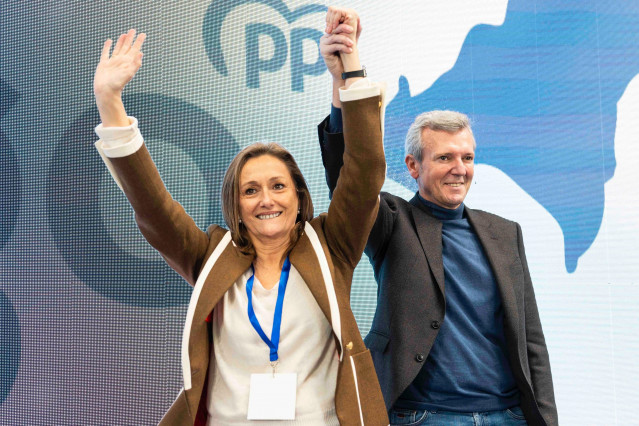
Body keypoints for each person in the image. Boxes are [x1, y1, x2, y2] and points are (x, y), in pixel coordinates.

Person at [92, 8, 388, 425]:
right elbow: (152, 207)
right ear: (236, 205)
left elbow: (364, 171)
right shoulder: (211, 254)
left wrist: (350, 72)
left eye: (278, 186)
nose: (266, 199)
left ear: (300, 198)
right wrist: (110, 102)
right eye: (250, 190)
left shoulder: (331, 246)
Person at [318, 25, 558, 426]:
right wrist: (343, 78)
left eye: (467, 157)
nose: (459, 169)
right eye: (445, 158)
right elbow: (351, 176)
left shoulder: (506, 232)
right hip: (425, 417)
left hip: (509, 416)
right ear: (412, 166)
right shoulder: (392, 223)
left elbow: (532, 340)